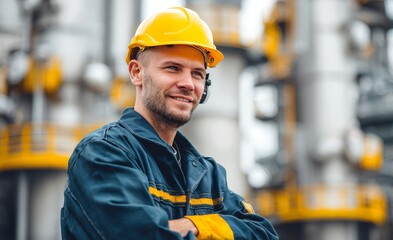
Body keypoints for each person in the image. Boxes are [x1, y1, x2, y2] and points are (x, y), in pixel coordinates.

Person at [61, 6, 278, 240]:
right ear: (136, 73)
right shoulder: (103, 153)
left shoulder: (208, 174)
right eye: (173, 68)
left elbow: (264, 234)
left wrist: (192, 226)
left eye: (197, 73)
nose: (188, 83)